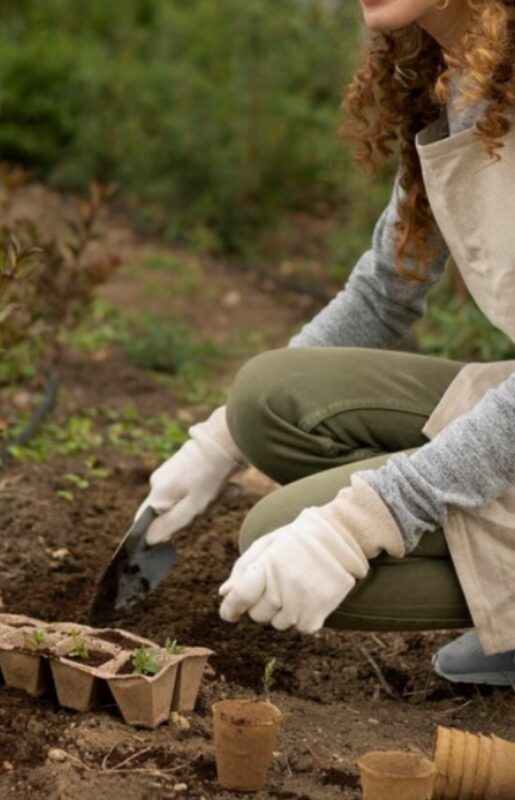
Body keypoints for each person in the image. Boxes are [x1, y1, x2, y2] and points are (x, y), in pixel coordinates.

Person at [137, 0, 515, 687]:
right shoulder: (453, 81)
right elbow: (383, 291)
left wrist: (363, 522)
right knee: (266, 399)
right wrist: (219, 441)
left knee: (276, 534)